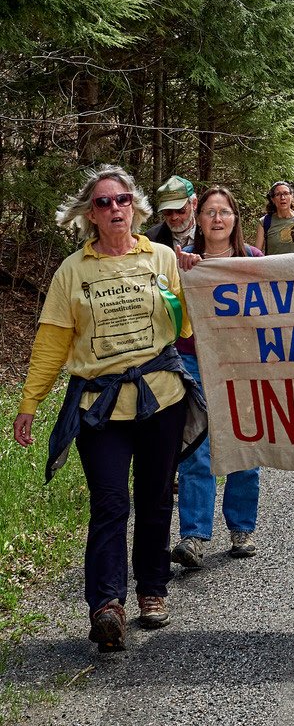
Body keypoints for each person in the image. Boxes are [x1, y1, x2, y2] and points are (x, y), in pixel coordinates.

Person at [12, 166, 204, 652]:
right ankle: (106, 606)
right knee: (110, 503)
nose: (114, 209)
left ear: (135, 207)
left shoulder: (163, 258)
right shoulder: (72, 271)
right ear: (89, 215)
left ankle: (152, 591)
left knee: (157, 497)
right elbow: (52, 341)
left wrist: (196, 279)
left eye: (121, 200)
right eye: (103, 203)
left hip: (162, 398)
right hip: (99, 409)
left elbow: (187, 329)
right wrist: (29, 402)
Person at [173, 187, 263, 569]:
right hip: (195, 361)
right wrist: (181, 273)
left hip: (244, 364)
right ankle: (193, 536)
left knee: (244, 444)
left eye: (224, 211)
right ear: (199, 218)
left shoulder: (255, 260)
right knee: (197, 449)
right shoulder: (182, 262)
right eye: (210, 212)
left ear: (235, 218)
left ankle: (241, 528)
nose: (217, 219)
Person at [255, 180, 294, 254]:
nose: (282, 197)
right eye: (278, 194)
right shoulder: (264, 222)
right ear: (272, 199)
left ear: (291, 196)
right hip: (273, 265)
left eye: (286, 193)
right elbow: (256, 254)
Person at [145, 175, 198, 249]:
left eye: (180, 210)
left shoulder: (208, 233)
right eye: (167, 211)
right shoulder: (151, 239)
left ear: (194, 204)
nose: (174, 217)